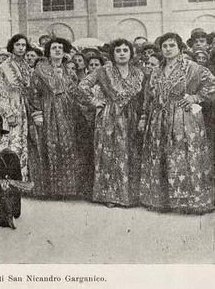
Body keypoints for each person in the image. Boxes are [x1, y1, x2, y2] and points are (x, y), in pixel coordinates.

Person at [139, 32, 215, 214]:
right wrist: (143, 117)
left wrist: (195, 97)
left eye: (171, 45)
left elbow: (212, 85)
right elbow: (148, 97)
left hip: (184, 119)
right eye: (164, 46)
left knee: (183, 156)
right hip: (158, 120)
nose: (167, 49)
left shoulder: (193, 68)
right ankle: (162, 200)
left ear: (180, 48)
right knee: (161, 156)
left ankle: (189, 202)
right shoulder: (156, 71)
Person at [78, 39, 144, 208]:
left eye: (125, 50)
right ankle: (109, 196)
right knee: (109, 154)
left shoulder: (138, 73)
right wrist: (94, 101)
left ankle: (129, 196)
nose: (122, 53)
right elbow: (83, 85)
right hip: (109, 117)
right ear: (113, 54)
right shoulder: (103, 71)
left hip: (131, 117)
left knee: (129, 153)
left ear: (130, 53)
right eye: (118, 50)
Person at [28, 37, 82, 198]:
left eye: (60, 48)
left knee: (68, 146)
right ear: (48, 52)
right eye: (54, 48)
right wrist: (37, 113)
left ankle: (67, 189)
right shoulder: (41, 69)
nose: (58, 50)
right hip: (49, 110)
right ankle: (51, 190)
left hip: (67, 112)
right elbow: (34, 93)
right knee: (51, 146)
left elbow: (76, 91)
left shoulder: (69, 71)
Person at [0, 34, 31, 181]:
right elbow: (1, 93)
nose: (21, 48)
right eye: (18, 45)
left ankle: (21, 178)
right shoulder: (4, 67)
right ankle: (7, 178)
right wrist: (8, 113)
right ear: (12, 46)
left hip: (23, 108)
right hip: (11, 108)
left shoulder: (26, 66)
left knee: (23, 143)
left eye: (23, 45)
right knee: (10, 143)